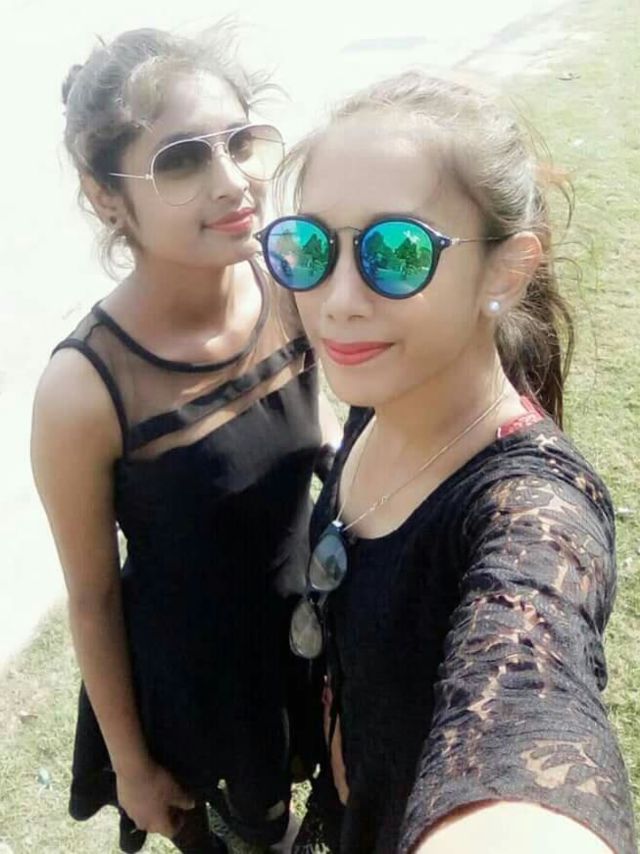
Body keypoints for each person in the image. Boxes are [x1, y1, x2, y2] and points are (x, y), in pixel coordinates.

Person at [255, 71, 637, 853]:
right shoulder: (384, 394)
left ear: (506, 271)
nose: (338, 299)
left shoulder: (533, 515)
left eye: (396, 253)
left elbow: (529, 687)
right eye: (312, 247)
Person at [31, 26, 338, 854]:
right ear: (105, 196)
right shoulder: (85, 389)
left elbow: (318, 431)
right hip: (201, 696)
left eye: (239, 142)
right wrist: (132, 768)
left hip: (307, 639)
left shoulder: (283, 282)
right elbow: (94, 599)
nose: (232, 179)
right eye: (181, 161)